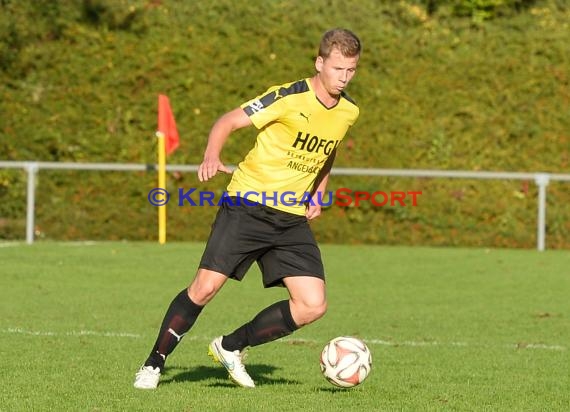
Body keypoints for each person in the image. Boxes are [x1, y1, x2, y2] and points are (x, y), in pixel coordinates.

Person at [134, 28, 361, 389]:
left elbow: (329, 149)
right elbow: (228, 120)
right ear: (319, 64)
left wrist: (319, 191)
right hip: (247, 204)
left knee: (313, 304)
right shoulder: (288, 97)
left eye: (350, 70)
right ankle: (154, 363)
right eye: (337, 69)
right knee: (204, 288)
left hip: (290, 217)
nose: (344, 78)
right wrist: (212, 154)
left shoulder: (348, 111)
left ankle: (231, 346)